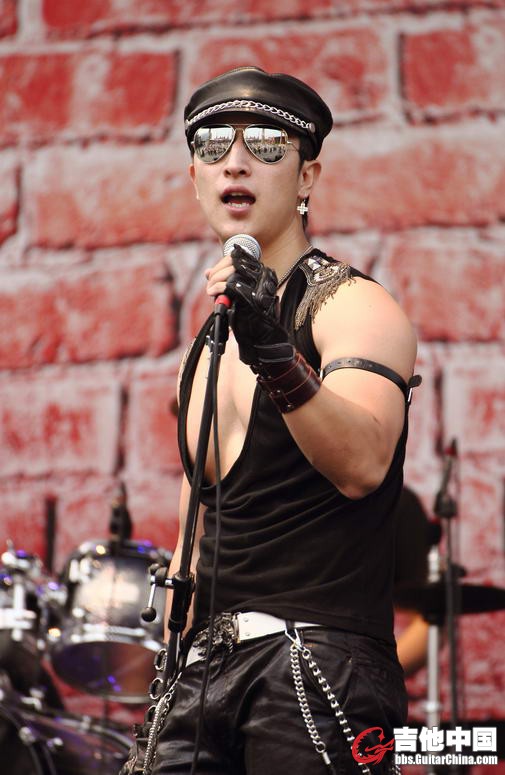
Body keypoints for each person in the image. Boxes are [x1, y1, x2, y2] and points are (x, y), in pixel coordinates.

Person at [121, 66, 420, 775]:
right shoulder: (203, 348)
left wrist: (276, 356)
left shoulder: (351, 305)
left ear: (307, 175)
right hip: (203, 671)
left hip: (315, 660)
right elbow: (201, 525)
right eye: (211, 146)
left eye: (263, 143)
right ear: (195, 178)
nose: (234, 161)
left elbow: (362, 463)